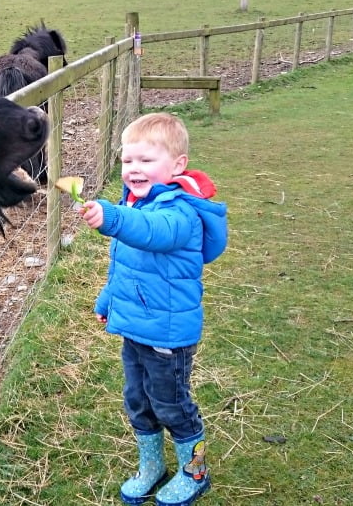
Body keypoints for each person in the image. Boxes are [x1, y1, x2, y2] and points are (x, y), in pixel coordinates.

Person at [78, 112, 227, 506]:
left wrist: (111, 216)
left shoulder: (180, 212)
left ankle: (194, 472)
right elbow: (125, 266)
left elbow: (152, 234)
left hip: (168, 333)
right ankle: (152, 466)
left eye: (146, 160)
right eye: (128, 161)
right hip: (136, 328)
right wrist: (107, 300)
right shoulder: (137, 204)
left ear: (177, 165)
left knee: (172, 405)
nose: (134, 169)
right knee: (138, 399)